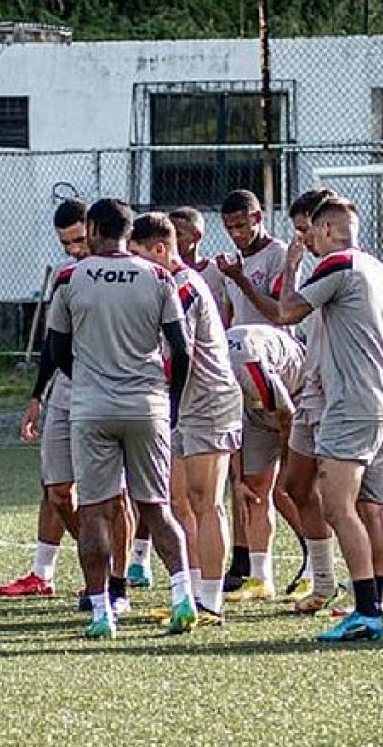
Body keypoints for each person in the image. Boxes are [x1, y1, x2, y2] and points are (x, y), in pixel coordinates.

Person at [222, 196, 383, 641]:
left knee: (343, 506)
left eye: (306, 232)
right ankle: (333, 586)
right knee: (299, 485)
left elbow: (285, 313)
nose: (300, 240)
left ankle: (368, 609)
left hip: (350, 404)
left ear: (324, 230)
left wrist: (286, 269)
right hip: (357, 398)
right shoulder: (379, 270)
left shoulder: (335, 263)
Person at [44, 198, 199, 639]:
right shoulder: (157, 275)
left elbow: (55, 348)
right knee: (156, 508)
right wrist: (170, 401)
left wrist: (89, 379)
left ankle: (101, 614)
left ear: (92, 228)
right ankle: (182, 596)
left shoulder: (73, 278)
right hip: (146, 405)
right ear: (130, 234)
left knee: (94, 511)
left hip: (92, 407)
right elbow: (180, 349)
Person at [128, 212, 243, 625]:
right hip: (180, 402)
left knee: (206, 502)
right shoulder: (162, 286)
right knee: (178, 501)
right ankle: (191, 593)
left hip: (209, 401)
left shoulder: (185, 288)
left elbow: (182, 355)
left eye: (139, 255)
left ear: (161, 250)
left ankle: (212, 598)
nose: (134, 265)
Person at [0, 199, 91, 599]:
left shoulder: (130, 271)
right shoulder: (67, 275)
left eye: (79, 239)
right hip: (67, 391)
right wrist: (38, 394)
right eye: (66, 243)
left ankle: (120, 569)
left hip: (111, 393)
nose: (73, 249)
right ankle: (43, 573)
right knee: (54, 487)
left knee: (118, 495)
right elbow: (54, 342)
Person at [213, 189, 290, 593]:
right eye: (229, 228)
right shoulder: (233, 264)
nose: (237, 234)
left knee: (289, 484)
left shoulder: (276, 255)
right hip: (238, 373)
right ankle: (251, 568)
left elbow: (277, 311)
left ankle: (318, 559)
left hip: (272, 368)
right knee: (246, 480)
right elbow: (229, 314)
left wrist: (241, 279)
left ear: (259, 216)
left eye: (242, 225)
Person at [224, 323, 320, 602]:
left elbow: (286, 416)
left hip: (297, 399)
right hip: (256, 410)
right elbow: (229, 430)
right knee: (254, 490)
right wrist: (238, 480)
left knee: (296, 489)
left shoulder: (247, 364)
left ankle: (316, 573)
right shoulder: (204, 373)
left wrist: (291, 469)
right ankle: (260, 579)